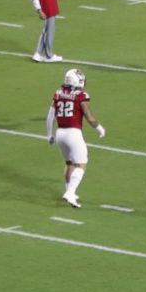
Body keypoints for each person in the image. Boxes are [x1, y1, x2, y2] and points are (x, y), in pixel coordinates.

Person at [49, 68, 105, 208]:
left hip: (60, 134)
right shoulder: (81, 95)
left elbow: (50, 116)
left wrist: (49, 133)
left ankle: (69, 190)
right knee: (81, 164)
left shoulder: (58, 93)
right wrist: (99, 128)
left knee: (69, 163)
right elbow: (89, 117)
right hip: (73, 133)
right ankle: (70, 192)